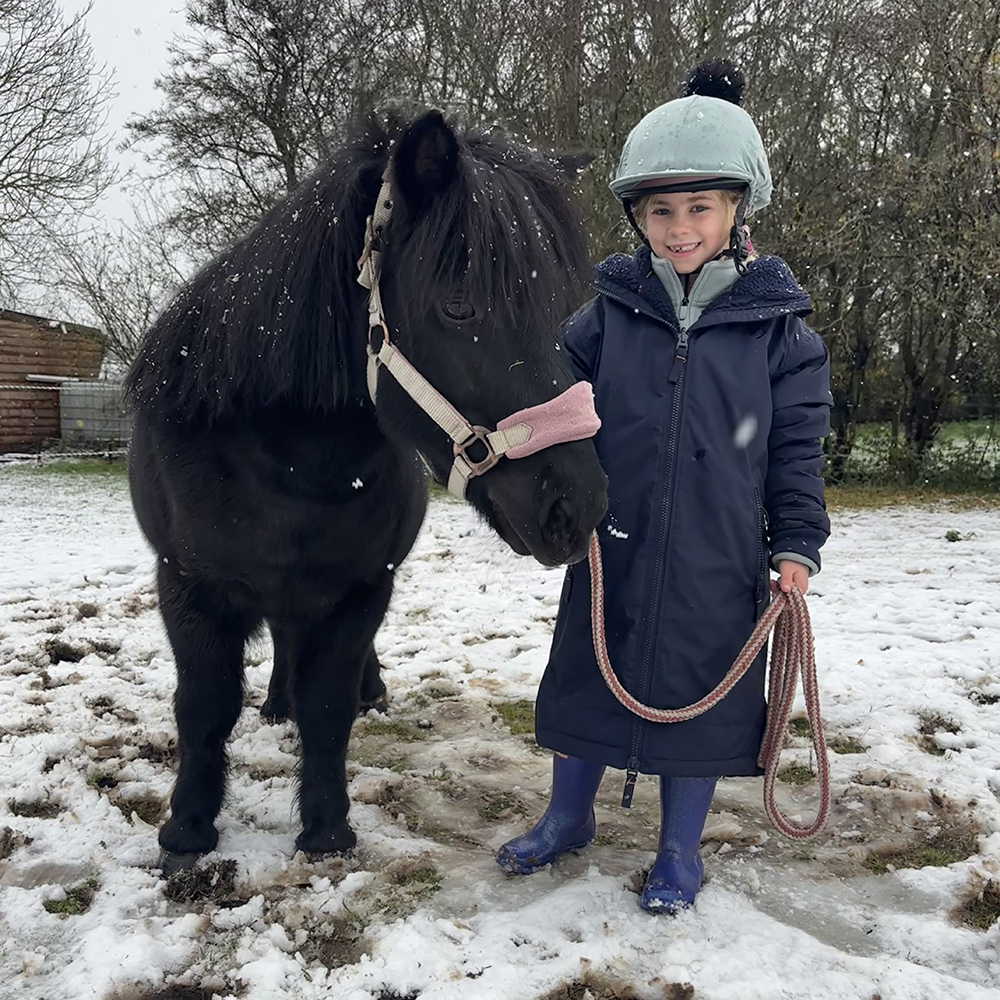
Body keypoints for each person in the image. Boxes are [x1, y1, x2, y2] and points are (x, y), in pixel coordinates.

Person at [496, 59, 832, 913]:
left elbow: (796, 449)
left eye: (699, 208)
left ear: (736, 210)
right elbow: (557, 398)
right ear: (637, 216)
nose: (679, 228)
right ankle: (567, 816)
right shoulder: (607, 312)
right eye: (660, 211)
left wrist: (796, 542)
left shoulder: (779, 332)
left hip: (721, 556)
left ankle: (680, 851)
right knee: (587, 678)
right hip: (612, 542)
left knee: (700, 702)